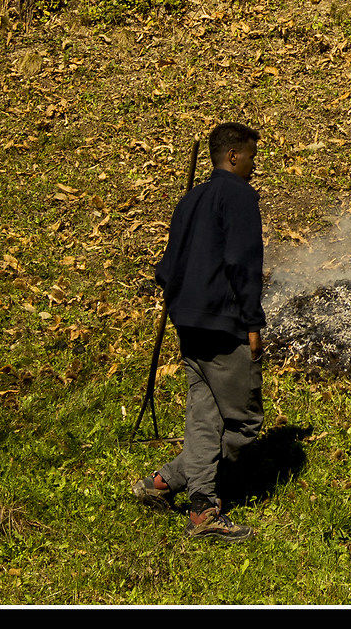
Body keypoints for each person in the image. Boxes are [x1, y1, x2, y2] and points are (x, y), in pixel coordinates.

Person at [132, 120, 266, 542]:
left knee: (205, 416)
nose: (253, 165)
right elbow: (243, 264)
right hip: (221, 323)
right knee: (244, 422)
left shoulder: (191, 199)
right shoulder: (240, 196)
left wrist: (180, 296)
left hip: (186, 320)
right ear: (232, 156)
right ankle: (180, 482)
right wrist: (252, 321)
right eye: (250, 156)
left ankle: (183, 497)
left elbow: (166, 268)